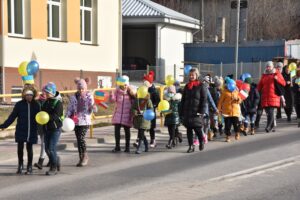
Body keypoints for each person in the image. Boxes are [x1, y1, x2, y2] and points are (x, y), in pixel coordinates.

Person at [0, 85, 40, 174]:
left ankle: (29, 166)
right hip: (21, 129)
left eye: (30, 95)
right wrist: (4, 125)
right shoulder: (19, 104)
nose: (29, 96)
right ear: (24, 95)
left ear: (33, 95)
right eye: (27, 95)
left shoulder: (36, 105)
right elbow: (12, 116)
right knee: (20, 147)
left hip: (32, 130)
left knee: (29, 148)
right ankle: (20, 165)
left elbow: (40, 117)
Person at [67, 78, 94, 166]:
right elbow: (70, 108)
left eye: (83, 89)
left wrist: (92, 108)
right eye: (79, 89)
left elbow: (91, 106)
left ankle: (85, 156)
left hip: (85, 121)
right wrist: (67, 116)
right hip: (76, 121)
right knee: (78, 140)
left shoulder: (88, 96)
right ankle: (81, 158)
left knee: (81, 139)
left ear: (85, 88)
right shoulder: (73, 97)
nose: (81, 90)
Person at [180, 68, 207, 153]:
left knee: (197, 128)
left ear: (196, 75)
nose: (191, 76)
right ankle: (191, 146)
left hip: (197, 112)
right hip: (187, 111)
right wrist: (181, 111)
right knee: (189, 129)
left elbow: (204, 99)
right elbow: (183, 100)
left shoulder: (201, 86)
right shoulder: (187, 86)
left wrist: (201, 111)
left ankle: (201, 140)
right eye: (190, 75)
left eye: (193, 75)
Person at [257, 61, 286, 133]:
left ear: (272, 66)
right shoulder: (264, 74)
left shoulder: (276, 73)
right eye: (267, 66)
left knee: (270, 111)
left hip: (273, 95)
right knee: (268, 112)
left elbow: (284, 83)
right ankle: (272, 125)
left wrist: (277, 79)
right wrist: (256, 90)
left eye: (269, 66)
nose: (268, 68)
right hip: (265, 96)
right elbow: (260, 84)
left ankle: (268, 126)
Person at [110, 75, 136, 153]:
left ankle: (127, 147)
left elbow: (135, 103)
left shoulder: (131, 92)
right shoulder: (117, 91)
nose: (124, 86)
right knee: (116, 130)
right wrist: (111, 96)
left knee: (127, 130)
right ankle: (117, 146)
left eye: (126, 85)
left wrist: (133, 113)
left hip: (127, 114)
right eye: (123, 85)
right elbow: (113, 100)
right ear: (120, 84)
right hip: (118, 113)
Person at [42, 82, 63, 175]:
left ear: (52, 92)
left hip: (55, 128)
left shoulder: (58, 102)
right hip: (46, 128)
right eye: (45, 92)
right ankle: (56, 159)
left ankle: (53, 167)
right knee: (47, 148)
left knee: (51, 148)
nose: (45, 94)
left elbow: (56, 115)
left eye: (47, 92)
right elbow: (41, 112)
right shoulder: (46, 102)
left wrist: (47, 117)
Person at [143, 71, 160, 148]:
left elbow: (158, 100)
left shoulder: (154, 91)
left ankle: (153, 140)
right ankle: (139, 139)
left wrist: (153, 106)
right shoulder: (143, 89)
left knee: (151, 127)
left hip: (151, 111)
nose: (143, 83)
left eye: (145, 81)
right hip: (143, 110)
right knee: (142, 125)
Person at [33, 85, 49, 169]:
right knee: (47, 145)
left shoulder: (50, 101)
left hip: (49, 126)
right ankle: (53, 160)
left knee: (44, 144)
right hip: (40, 126)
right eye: (43, 91)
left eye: (46, 91)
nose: (44, 93)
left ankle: (40, 162)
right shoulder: (37, 101)